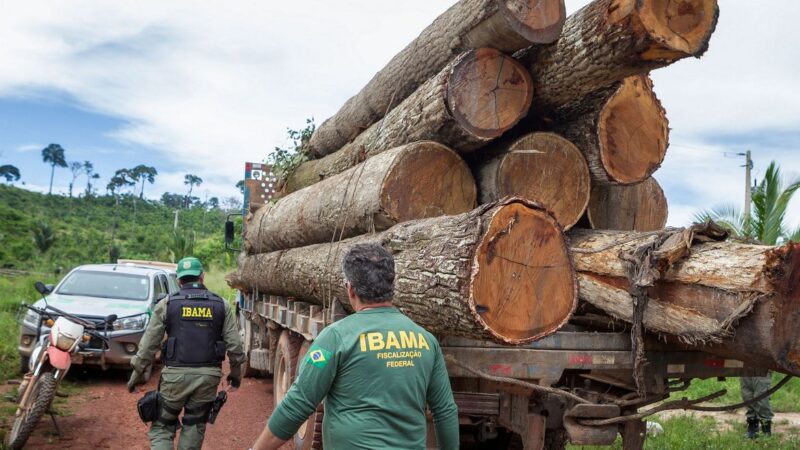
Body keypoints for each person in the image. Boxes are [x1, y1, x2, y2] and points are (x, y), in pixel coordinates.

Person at [250, 243, 459, 450]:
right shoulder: (426, 341)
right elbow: (445, 411)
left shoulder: (333, 339)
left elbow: (298, 404)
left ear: (350, 288)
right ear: (392, 284)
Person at [128, 256, 245, 450]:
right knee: (194, 426)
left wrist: (136, 376)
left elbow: (148, 346)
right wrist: (235, 376)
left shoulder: (167, 304)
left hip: (174, 378)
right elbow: (235, 347)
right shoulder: (221, 305)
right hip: (208, 378)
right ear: (202, 276)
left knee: (162, 427)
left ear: (178, 280)